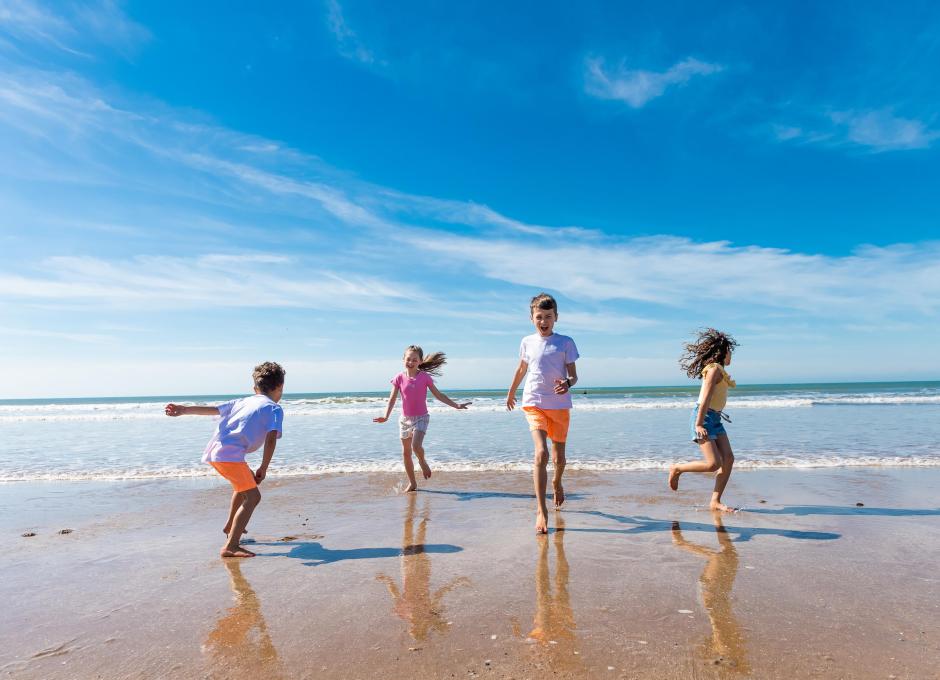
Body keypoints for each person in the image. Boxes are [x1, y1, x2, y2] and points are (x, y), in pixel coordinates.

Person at [165, 361, 285, 557]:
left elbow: (213, 409)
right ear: (280, 387)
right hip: (230, 455)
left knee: (244, 486)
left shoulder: (243, 401)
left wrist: (184, 409)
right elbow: (271, 439)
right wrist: (264, 466)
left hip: (217, 452)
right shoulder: (274, 409)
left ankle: (231, 526)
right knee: (254, 497)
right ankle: (231, 546)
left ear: (255, 388)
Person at [506, 293, 579, 534]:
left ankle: (557, 482)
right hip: (533, 402)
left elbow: (574, 375)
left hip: (559, 405)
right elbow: (521, 369)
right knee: (541, 453)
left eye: (548, 317)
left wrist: (567, 384)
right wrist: (511, 392)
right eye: (539, 317)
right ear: (532, 318)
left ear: (556, 317)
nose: (543, 321)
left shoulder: (566, 342)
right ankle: (541, 509)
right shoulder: (527, 342)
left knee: (559, 459)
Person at [374, 346, 470, 491]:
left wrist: (456, 405)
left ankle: (422, 461)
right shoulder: (399, 378)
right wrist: (386, 416)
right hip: (404, 419)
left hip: (421, 418)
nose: (411, 362)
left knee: (416, 446)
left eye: (414, 360)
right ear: (403, 359)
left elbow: (439, 395)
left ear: (420, 361)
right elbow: (392, 399)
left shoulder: (424, 377)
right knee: (405, 453)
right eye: (408, 359)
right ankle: (412, 483)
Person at [668, 329, 738, 512]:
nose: (731, 355)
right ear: (723, 351)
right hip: (704, 417)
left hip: (714, 418)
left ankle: (715, 501)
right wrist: (699, 424)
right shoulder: (714, 369)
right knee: (713, 464)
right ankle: (677, 469)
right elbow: (705, 397)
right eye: (730, 351)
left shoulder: (719, 370)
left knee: (729, 459)